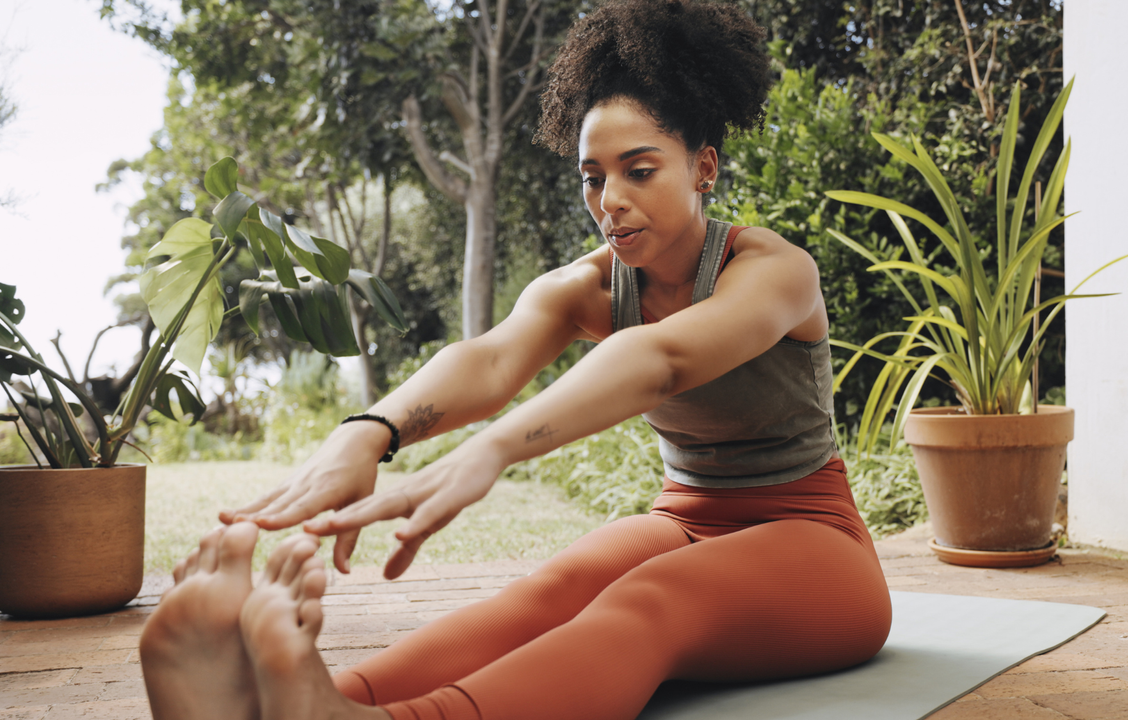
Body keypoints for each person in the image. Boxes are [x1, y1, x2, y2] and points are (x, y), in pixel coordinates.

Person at [138, 1, 893, 718]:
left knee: (651, 600)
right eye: (592, 178)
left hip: (815, 539)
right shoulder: (589, 285)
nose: (610, 201)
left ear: (703, 168)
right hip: (686, 519)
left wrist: (491, 449)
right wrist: (369, 430)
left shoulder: (773, 270)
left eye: (640, 170)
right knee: (545, 594)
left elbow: (662, 358)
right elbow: (491, 358)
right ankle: (296, 702)